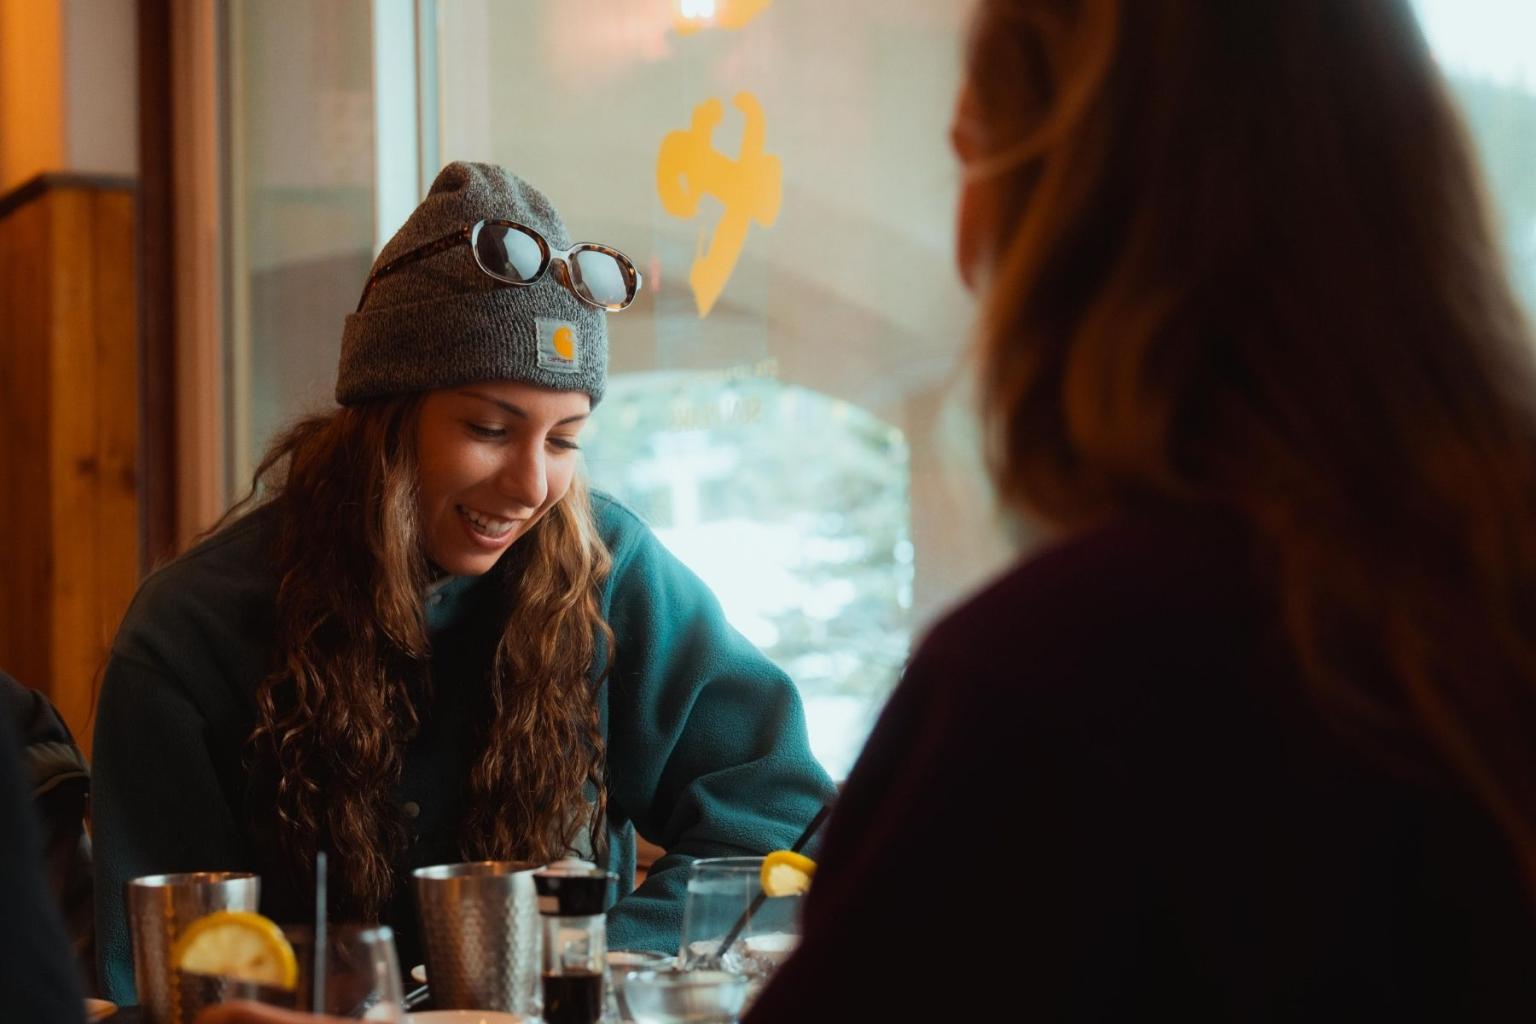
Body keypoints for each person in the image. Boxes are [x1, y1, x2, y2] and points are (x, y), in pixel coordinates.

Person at [748, 1, 1536, 1020]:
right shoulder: (1489, 614)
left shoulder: (1057, 681)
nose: (960, 245)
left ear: (1067, 211)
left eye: (974, 163)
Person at [92, 162, 836, 1003]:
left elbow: (780, 821)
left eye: (564, 441)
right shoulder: (191, 631)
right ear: (384, 418)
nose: (530, 486)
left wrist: (584, 969)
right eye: (489, 428)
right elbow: (155, 974)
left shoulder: (606, 565)